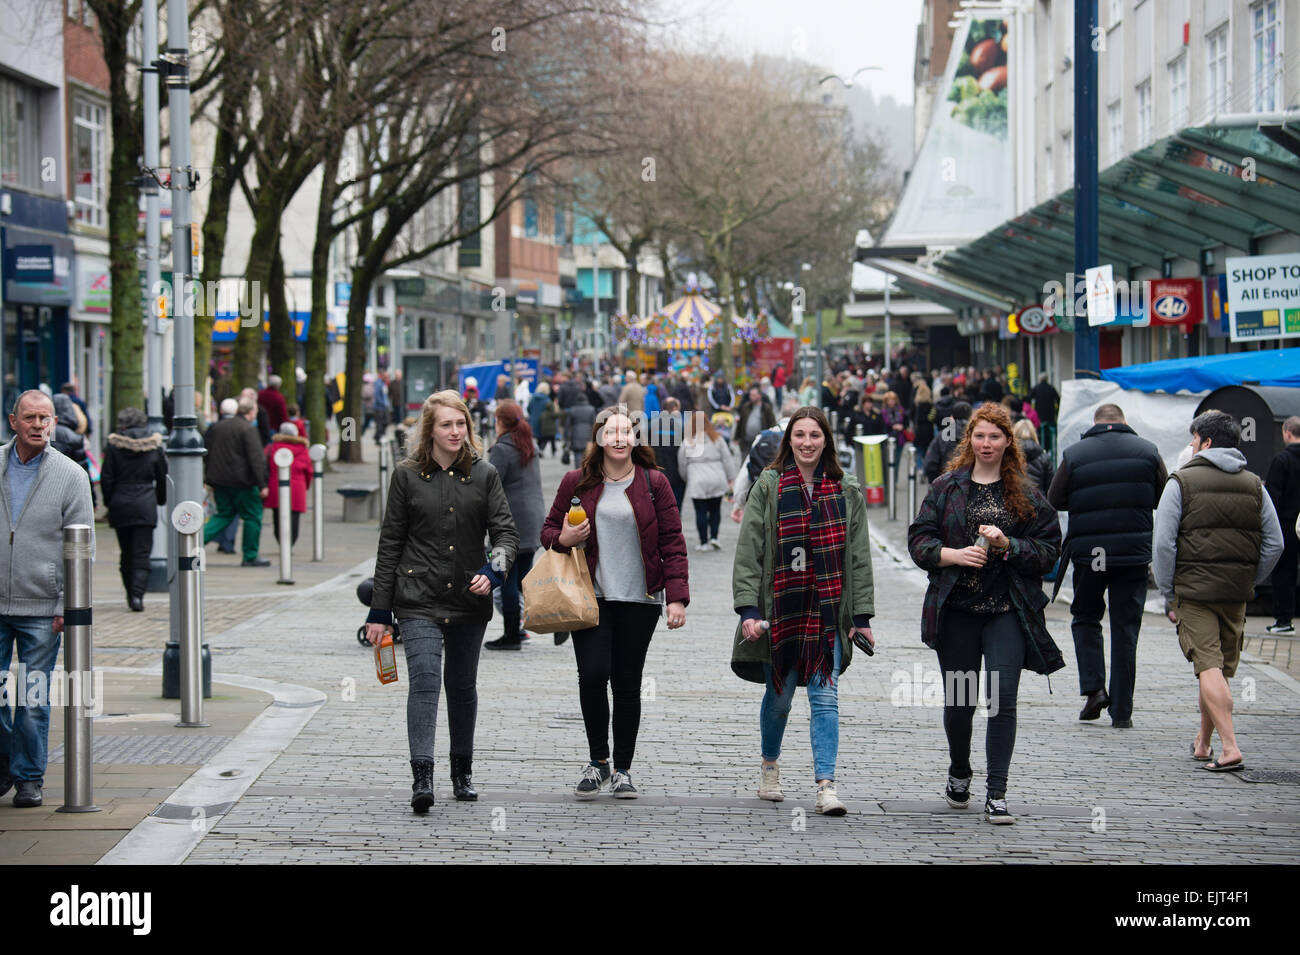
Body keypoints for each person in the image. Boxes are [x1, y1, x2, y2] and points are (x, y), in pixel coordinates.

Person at [907, 404, 1064, 825]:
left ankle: (997, 792)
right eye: (980, 436)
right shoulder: (946, 486)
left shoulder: (1027, 494)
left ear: (1008, 442)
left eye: (995, 436)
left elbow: (1050, 550)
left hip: (1006, 612)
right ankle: (960, 769)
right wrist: (951, 554)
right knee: (961, 705)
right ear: (969, 441)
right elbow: (919, 539)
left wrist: (1008, 544)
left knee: (1002, 701)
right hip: (956, 611)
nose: (987, 443)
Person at [365, 390, 519, 811]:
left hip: (469, 598)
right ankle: (422, 776)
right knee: (426, 683)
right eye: (447, 425)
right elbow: (390, 544)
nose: (456, 432)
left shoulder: (485, 474)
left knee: (462, 686)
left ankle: (462, 771)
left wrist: (494, 571)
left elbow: (506, 534)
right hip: (417, 598)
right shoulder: (407, 475)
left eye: (461, 425)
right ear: (429, 430)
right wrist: (380, 611)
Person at [731, 407, 875, 815]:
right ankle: (770, 768)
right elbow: (749, 550)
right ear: (788, 440)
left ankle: (826, 786)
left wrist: (860, 618)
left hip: (828, 610)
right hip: (781, 609)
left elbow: (860, 557)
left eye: (815, 435)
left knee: (825, 699)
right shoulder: (770, 485)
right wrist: (748, 610)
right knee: (779, 698)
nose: (807, 443)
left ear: (826, 440)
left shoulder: (847, 489)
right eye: (800, 435)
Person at [539, 407, 689, 799]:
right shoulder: (577, 481)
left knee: (627, 683)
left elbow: (673, 541)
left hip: (640, 599)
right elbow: (548, 531)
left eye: (626, 431)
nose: (619, 438)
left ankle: (622, 768)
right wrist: (566, 539)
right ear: (600, 438)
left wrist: (677, 598)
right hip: (591, 596)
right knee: (592, 674)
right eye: (612, 431)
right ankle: (598, 761)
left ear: (635, 439)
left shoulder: (655, 483)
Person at [1153, 410, 1283, 772]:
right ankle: (1203, 742)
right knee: (1217, 669)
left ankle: (1229, 747)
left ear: (1206, 442)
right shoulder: (1255, 484)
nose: (1191, 446)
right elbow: (1275, 544)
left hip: (1193, 593)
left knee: (1207, 665)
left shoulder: (1180, 482)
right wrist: (1250, 578)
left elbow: (1163, 544)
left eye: (1194, 440)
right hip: (1235, 593)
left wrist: (1168, 589)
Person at [0, 390, 95, 808]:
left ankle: (28, 778)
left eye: (45, 418)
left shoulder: (71, 475)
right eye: (30, 417)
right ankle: (5, 762)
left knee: (32, 699)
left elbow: (83, 548)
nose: (38, 425)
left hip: (43, 606)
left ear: (54, 422)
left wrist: (65, 606)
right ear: (13, 421)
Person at [1047, 404, 1166, 727]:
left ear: (1096, 423)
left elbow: (1055, 498)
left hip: (1089, 553)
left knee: (1086, 617)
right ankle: (1122, 711)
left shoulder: (1075, 453)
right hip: (1132, 554)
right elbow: (1161, 495)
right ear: (1124, 422)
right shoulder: (1148, 451)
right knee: (1126, 628)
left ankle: (1094, 689)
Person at [484, 400, 544, 651]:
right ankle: (528, 623)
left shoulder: (502, 449)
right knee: (521, 578)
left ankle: (511, 635)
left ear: (499, 422)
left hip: (511, 524)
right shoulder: (529, 444)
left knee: (506, 580)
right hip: (533, 521)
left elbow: (489, 484)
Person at [101, 407, 167, 611]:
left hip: (121, 503)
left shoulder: (113, 446)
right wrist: (160, 499)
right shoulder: (154, 445)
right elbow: (162, 476)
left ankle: (130, 592)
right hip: (145, 503)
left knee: (126, 552)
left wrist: (110, 501)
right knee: (142, 553)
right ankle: (138, 595)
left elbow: (107, 478)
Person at [203, 396, 271, 567]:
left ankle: (195, 542)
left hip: (219, 481)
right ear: (250, 412)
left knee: (224, 515)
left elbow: (208, 452)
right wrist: (262, 483)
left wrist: (208, 478)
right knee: (252, 517)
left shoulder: (217, 427)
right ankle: (250, 555)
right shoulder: (247, 430)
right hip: (243, 483)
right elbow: (256, 459)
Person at [678, 410, 736, 552]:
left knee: (700, 511)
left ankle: (703, 541)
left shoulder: (688, 442)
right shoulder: (718, 439)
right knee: (715, 509)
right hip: (717, 476)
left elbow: (682, 462)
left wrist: (686, 477)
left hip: (697, 478)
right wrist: (730, 478)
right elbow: (727, 459)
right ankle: (715, 537)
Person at [1264, 416, 1300, 634]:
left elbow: (1273, 498)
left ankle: (1284, 621)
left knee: (1284, 574)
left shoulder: (1282, 460)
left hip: (1286, 526)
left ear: (1287, 432)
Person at [262, 422, 312, 547]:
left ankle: (281, 542)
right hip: (297, 488)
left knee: (277, 516)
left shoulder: (273, 447)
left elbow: (265, 466)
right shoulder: (303, 449)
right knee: (294, 517)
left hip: (276, 486)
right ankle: (290, 543)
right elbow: (309, 471)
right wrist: (306, 485)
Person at [923, 400, 972, 481]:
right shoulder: (976, 435)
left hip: (947, 480)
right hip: (970, 481)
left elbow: (930, 464)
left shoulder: (943, 435)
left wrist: (937, 482)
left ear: (952, 417)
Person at [654, 397, 686, 508]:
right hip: (677, 473)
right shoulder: (681, 427)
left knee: (660, 505)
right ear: (674, 408)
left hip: (658, 471)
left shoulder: (653, 426)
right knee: (676, 506)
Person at [1012, 418, 1054, 493]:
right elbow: (1050, 487)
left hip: (1014, 500)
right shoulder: (1044, 457)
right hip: (1038, 501)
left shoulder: (1007, 456)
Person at [735, 385, 776, 449]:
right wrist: (737, 437)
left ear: (759, 396)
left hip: (761, 443)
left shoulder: (766, 408)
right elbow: (741, 423)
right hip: (746, 442)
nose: (751, 397)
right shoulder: (746, 407)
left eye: (753, 395)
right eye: (750, 395)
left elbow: (772, 424)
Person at [1030, 373, 1060, 459]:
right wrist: (1057, 411)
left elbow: (1028, 397)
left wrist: (1032, 411)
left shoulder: (1036, 388)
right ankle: (1049, 450)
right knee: (1049, 434)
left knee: (1040, 433)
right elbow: (1058, 399)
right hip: (1050, 415)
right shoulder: (1051, 388)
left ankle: (1041, 450)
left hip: (1039, 415)